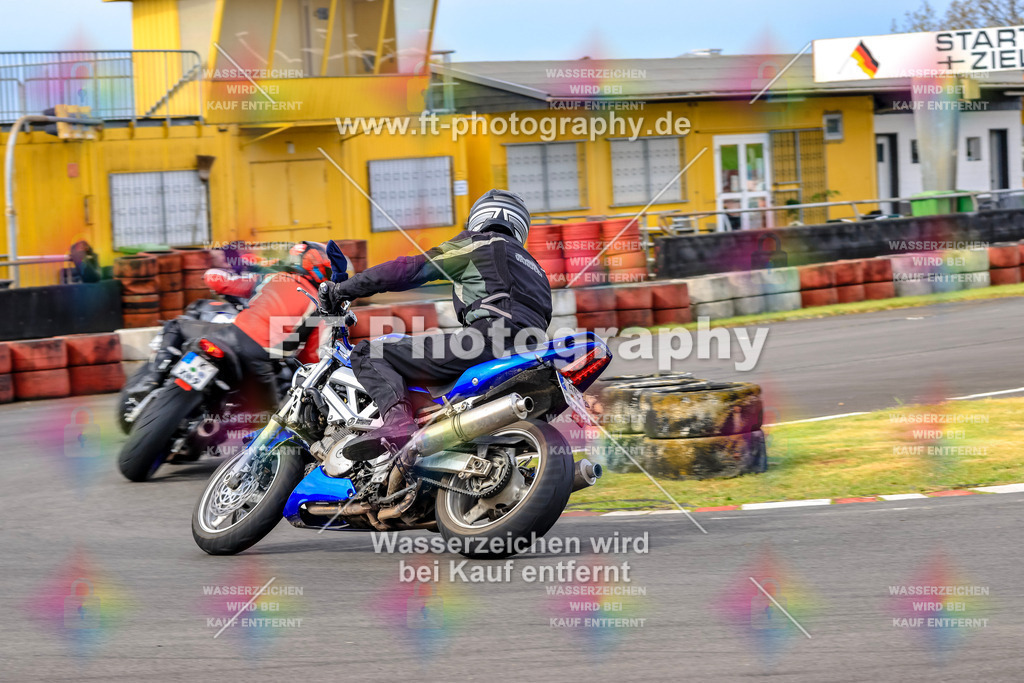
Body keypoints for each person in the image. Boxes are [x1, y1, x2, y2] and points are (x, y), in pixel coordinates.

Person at [319, 189, 551, 461]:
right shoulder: (539, 271)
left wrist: (342, 290)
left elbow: (409, 270)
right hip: (532, 352)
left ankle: (396, 423)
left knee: (370, 352)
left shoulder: (479, 244)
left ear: (480, 217)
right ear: (520, 225)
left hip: (486, 340)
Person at [158, 241, 338, 414]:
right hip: (260, 361)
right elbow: (312, 357)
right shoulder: (320, 307)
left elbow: (219, 280)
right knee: (269, 423)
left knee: (176, 326)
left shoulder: (273, 278)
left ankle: (154, 379)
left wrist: (213, 274)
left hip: (230, 336)